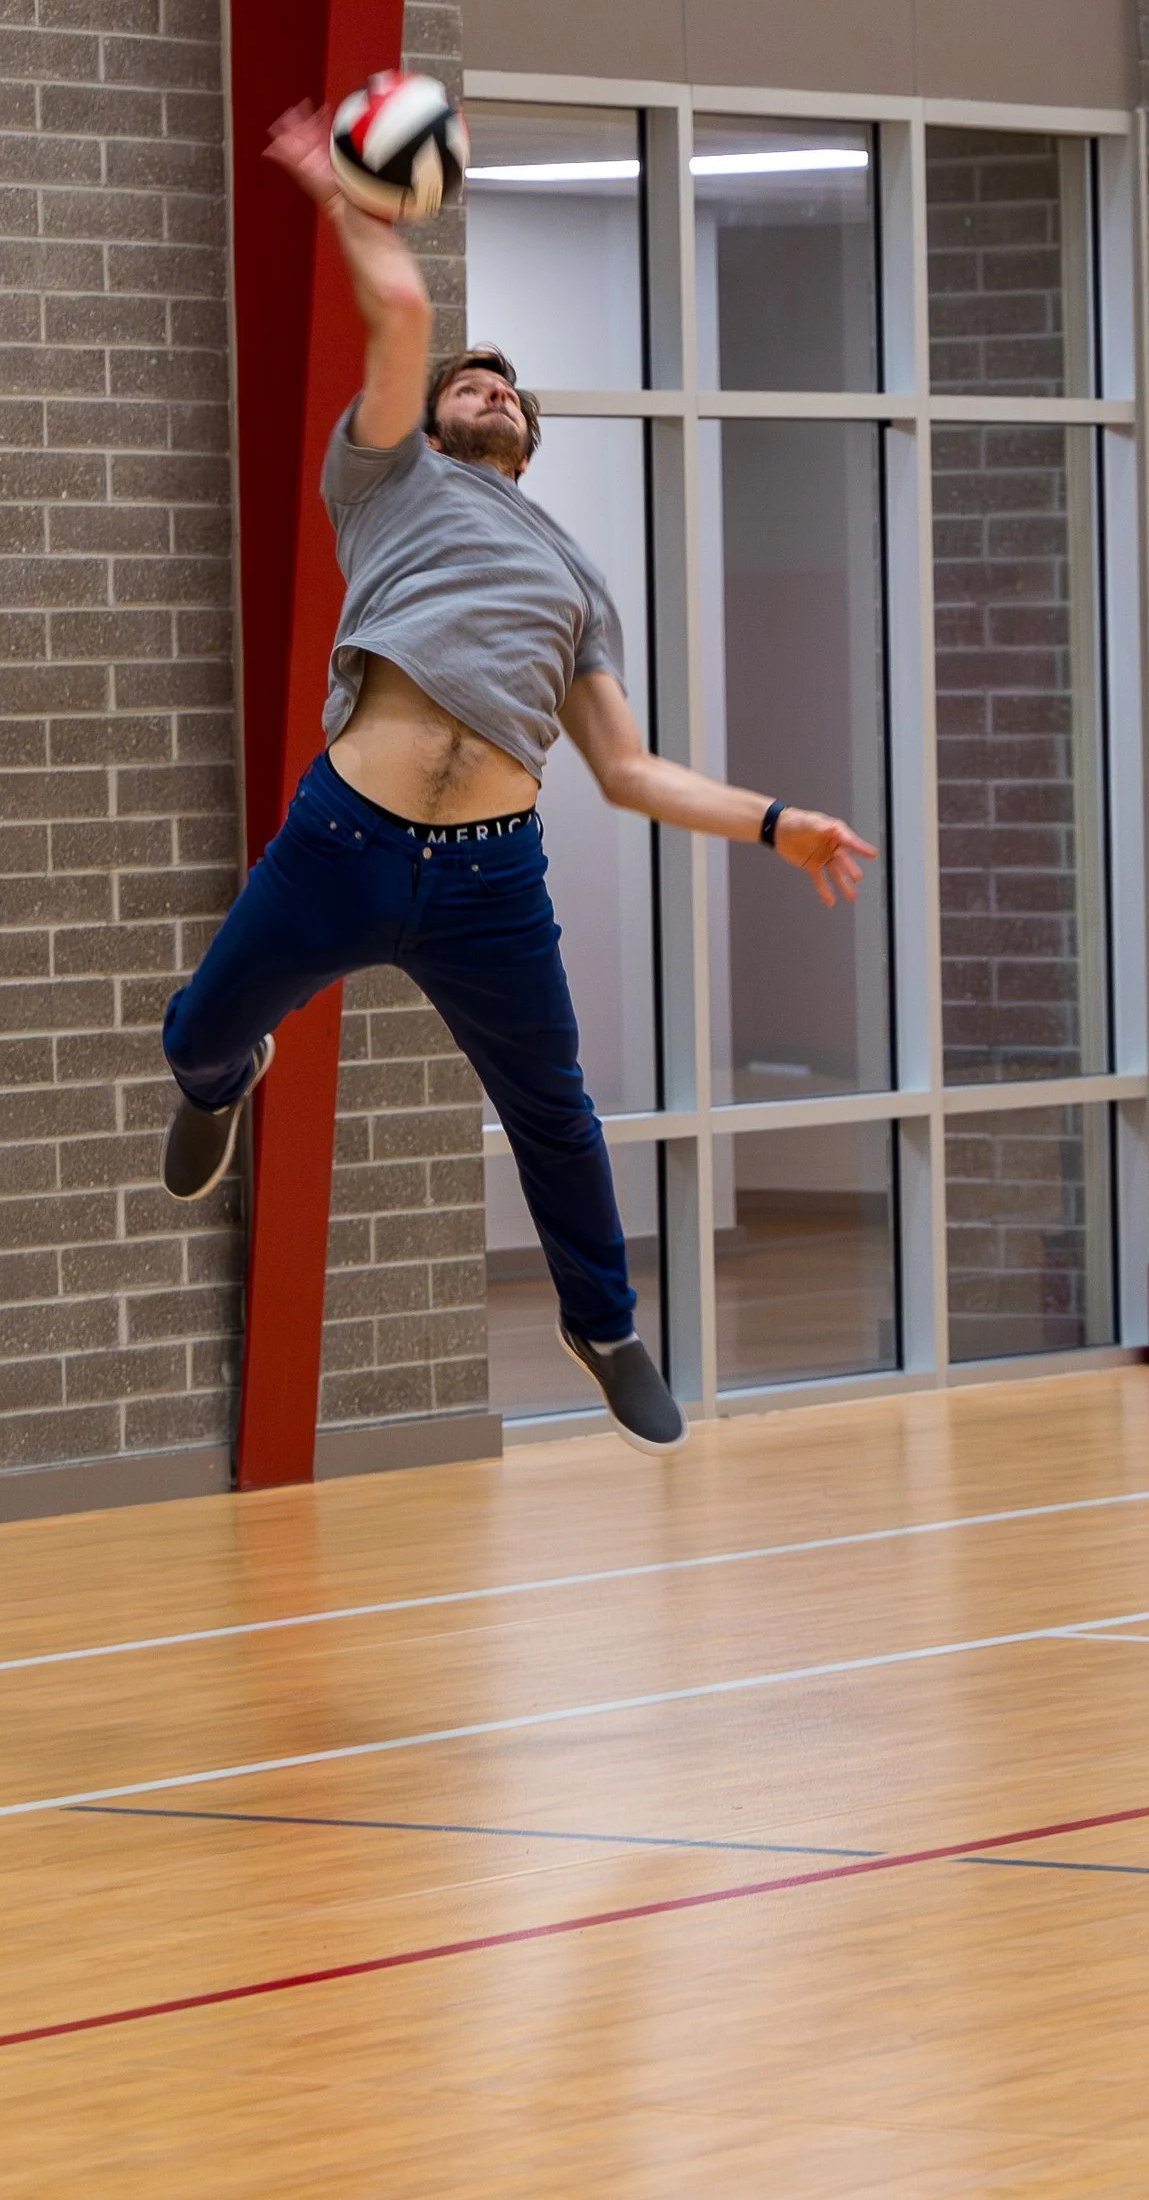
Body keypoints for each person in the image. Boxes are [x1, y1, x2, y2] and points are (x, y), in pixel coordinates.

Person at [160, 100, 877, 1453]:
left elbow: (628, 767)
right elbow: (398, 315)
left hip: (491, 876)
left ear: (527, 438)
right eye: (464, 379)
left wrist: (775, 823)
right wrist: (333, 183)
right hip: (344, 839)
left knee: (556, 1105)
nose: (483, 383)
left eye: (505, 385)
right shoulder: (387, 486)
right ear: (426, 423)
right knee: (196, 1032)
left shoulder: (574, 577)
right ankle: (217, 1071)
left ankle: (601, 1323)